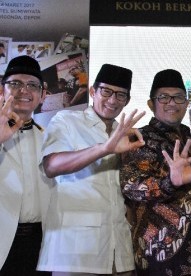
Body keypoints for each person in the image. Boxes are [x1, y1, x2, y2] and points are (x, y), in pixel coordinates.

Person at [36, 64, 145, 275]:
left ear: (127, 101)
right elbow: (51, 166)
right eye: (106, 91)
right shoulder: (67, 120)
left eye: (121, 95)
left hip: (118, 247)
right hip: (75, 249)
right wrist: (104, 149)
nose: (113, 100)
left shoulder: (126, 133)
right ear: (93, 91)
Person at [120, 69, 191, 275]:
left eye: (178, 97)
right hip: (164, 259)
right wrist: (170, 182)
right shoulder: (141, 140)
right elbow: (130, 186)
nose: (172, 103)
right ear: (151, 104)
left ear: (187, 103)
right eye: (164, 97)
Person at [0, 56, 52, 275]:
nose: (24, 90)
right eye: (16, 84)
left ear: (42, 95)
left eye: (32, 85)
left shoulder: (51, 139)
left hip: (39, 242)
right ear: (2, 90)